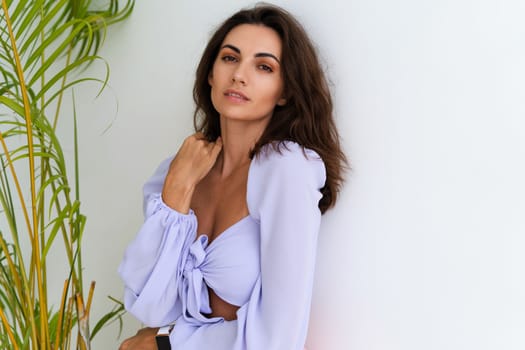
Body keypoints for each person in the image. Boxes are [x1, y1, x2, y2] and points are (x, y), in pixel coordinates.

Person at [118, 4, 346, 350]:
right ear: (211, 73)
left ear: (284, 91)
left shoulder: (286, 169)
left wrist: (167, 342)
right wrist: (176, 192)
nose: (240, 75)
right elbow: (150, 306)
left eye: (264, 66)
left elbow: (278, 339)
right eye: (229, 58)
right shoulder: (174, 171)